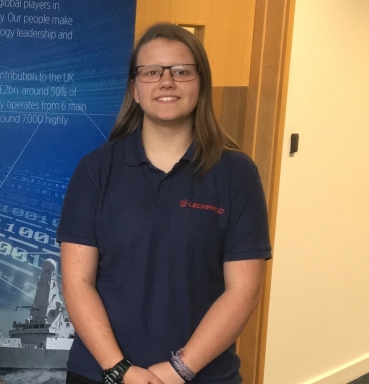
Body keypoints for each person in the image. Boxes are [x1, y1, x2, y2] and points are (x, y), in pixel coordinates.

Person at [57, 23, 271, 384]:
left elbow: (243, 291)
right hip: (102, 374)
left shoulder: (236, 173)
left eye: (182, 71)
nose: (167, 81)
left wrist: (179, 370)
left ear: (200, 84)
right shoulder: (96, 170)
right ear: (135, 90)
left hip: (204, 375)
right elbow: (77, 281)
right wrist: (119, 370)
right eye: (152, 71)